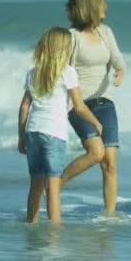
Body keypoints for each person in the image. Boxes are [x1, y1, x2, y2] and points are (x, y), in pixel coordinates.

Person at [18, 27, 103, 224]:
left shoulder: (33, 73)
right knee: (53, 187)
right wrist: (96, 122)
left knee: (36, 185)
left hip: (33, 132)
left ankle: (31, 224)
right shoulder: (68, 72)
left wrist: (22, 136)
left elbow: (24, 108)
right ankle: (54, 233)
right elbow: (80, 107)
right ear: (63, 50)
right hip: (54, 134)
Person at [60, 0, 126, 216]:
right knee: (96, 153)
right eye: (102, 2)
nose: (106, 6)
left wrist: (120, 70)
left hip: (105, 102)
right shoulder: (71, 37)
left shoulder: (105, 32)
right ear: (91, 6)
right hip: (78, 105)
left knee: (110, 164)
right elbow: (61, 71)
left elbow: (118, 59)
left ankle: (109, 217)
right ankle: (55, 184)